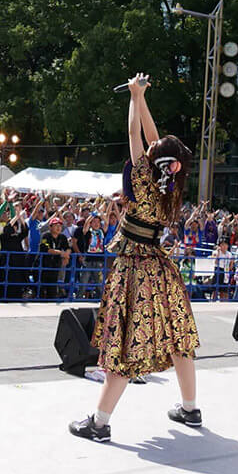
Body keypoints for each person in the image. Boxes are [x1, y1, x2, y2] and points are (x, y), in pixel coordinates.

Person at [69, 73, 199, 442]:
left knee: (124, 341)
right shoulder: (171, 184)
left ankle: (99, 422)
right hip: (160, 266)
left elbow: (135, 137)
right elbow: (156, 141)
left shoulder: (143, 179)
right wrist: (140, 97)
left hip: (134, 268)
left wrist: (132, 96)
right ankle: (190, 408)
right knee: (178, 338)